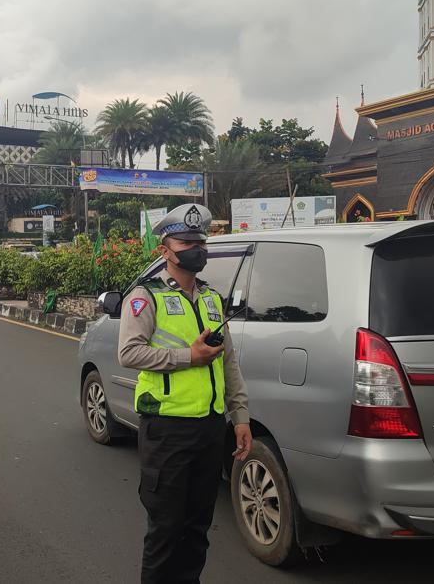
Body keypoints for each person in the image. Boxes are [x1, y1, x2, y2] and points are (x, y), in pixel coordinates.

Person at [118, 203, 252, 584]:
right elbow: (128, 352)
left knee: (197, 530)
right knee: (166, 530)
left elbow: (228, 362)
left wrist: (239, 417)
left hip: (209, 428)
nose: (197, 248)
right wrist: (187, 356)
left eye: (200, 241)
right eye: (186, 241)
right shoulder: (146, 296)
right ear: (165, 249)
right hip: (167, 430)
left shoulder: (211, 298)